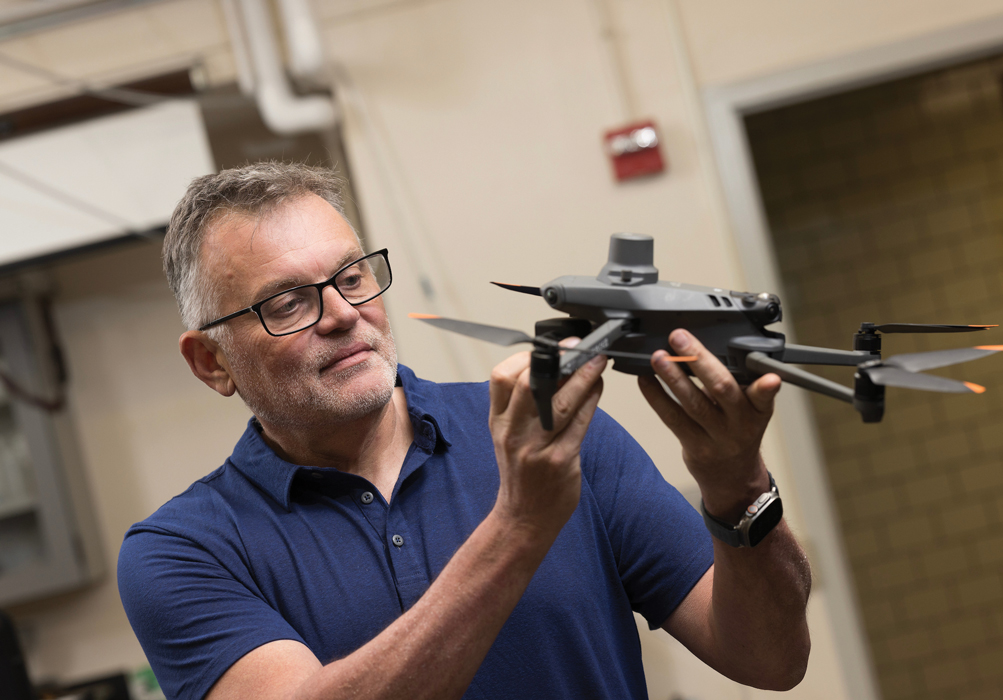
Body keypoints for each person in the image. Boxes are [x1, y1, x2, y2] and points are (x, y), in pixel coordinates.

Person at [118, 162, 811, 700]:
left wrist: (734, 483)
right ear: (211, 362)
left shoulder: (558, 436)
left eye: (352, 276)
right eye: (288, 301)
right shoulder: (183, 552)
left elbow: (771, 659)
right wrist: (518, 527)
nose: (342, 314)